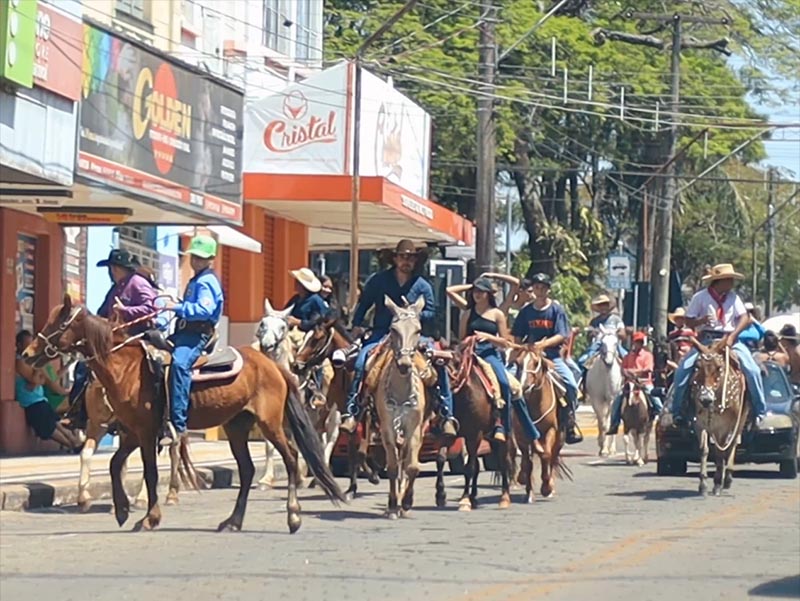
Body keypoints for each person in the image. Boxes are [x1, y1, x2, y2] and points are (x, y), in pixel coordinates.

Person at [340, 239, 457, 437]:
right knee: (361, 362)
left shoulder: (422, 285)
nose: (406, 261)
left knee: (439, 364)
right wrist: (357, 325)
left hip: (413, 335)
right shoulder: (379, 280)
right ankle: (352, 411)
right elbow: (364, 304)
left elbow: (433, 314)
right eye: (403, 257)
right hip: (382, 333)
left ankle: (446, 414)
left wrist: (413, 313)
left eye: (411, 258)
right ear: (395, 258)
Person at [448, 277, 544, 451]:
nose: (477, 294)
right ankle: (446, 420)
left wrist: (490, 337)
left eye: (481, 291)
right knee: (449, 381)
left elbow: (505, 342)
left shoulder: (497, 313)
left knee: (506, 384)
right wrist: (474, 284)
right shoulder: (468, 313)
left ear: (488, 294)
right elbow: (461, 339)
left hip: (490, 354)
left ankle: (502, 427)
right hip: (471, 354)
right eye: (475, 291)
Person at [68, 249, 158, 428]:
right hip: (115, 340)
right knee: (85, 366)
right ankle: (78, 413)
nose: (111, 272)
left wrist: (126, 311)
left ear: (119, 268)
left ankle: (152, 409)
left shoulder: (138, 283)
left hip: (137, 336)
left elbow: (152, 309)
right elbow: (103, 313)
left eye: (112, 268)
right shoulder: (116, 288)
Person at [669, 263, 767, 424]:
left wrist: (733, 335)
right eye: (728, 280)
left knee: (752, 370)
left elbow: (745, 318)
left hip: (729, 339)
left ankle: (758, 411)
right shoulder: (700, 297)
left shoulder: (734, 298)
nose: (731, 284)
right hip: (706, 340)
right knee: (683, 370)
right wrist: (701, 320)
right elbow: (689, 321)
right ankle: (678, 412)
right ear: (718, 281)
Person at [160, 235, 224, 445]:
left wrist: (177, 307)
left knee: (179, 364)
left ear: (210, 259)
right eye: (194, 256)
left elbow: (204, 310)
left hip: (196, 335)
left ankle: (178, 425)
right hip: (183, 332)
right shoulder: (196, 280)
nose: (195, 260)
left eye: (200, 257)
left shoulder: (206, 282)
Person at [510, 273, 582, 444]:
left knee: (571, 384)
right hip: (529, 355)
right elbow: (518, 335)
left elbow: (561, 335)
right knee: (508, 382)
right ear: (533, 289)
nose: (539, 291)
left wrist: (542, 345)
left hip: (552, 356)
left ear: (548, 290)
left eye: (543, 288)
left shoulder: (556, 310)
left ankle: (570, 421)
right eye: (536, 287)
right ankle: (504, 421)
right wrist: (521, 350)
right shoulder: (526, 311)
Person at [15, 331, 80, 449]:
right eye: (27, 345)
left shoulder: (34, 362)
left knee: (55, 421)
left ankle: (74, 440)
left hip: (40, 398)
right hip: (30, 402)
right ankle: (71, 445)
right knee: (47, 427)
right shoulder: (20, 362)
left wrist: (38, 376)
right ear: (19, 345)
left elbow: (43, 381)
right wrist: (38, 369)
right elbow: (36, 380)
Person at [607, 332, 661, 434]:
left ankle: (660, 413)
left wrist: (633, 372)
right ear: (633, 342)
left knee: (653, 395)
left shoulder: (647, 355)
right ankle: (614, 423)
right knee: (617, 399)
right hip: (630, 382)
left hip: (644, 383)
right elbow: (623, 370)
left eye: (640, 342)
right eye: (637, 342)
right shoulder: (628, 356)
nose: (638, 344)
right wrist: (628, 373)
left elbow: (648, 369)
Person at [576, 294, 628, 375]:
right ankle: (582, 379)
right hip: (598, 344)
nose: (603, 307)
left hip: (613, 344)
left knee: (627, 358)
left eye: (605, 305)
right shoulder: (594, 321)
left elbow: (623, 335)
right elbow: (589, 337)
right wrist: (593, 333)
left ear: (608, 306)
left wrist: (617, 333)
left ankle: (627, 382)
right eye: (601, 305)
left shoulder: (616, 320)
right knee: (582, 360)